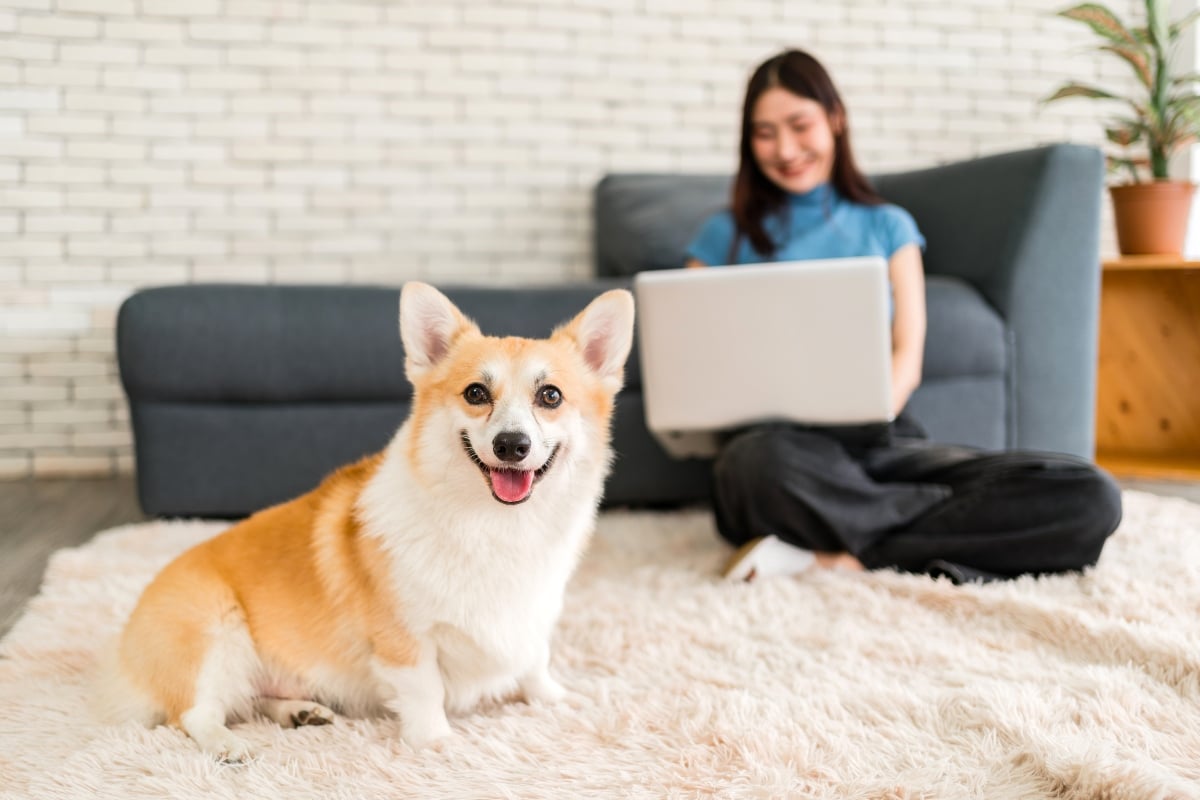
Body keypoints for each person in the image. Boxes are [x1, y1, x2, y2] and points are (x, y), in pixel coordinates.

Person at [685, 49, 1122, 584]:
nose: (786, 149)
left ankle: (838, 555)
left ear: (835, 120)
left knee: (1089, 497)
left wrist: (871, 408)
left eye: (800, 126)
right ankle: (927, 530)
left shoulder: (889, 227)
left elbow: (906, 355)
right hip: (779, 453)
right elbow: (693, 357)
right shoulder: (720, 237)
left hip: (883, 443)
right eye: (765, 133)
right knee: (751, 468)